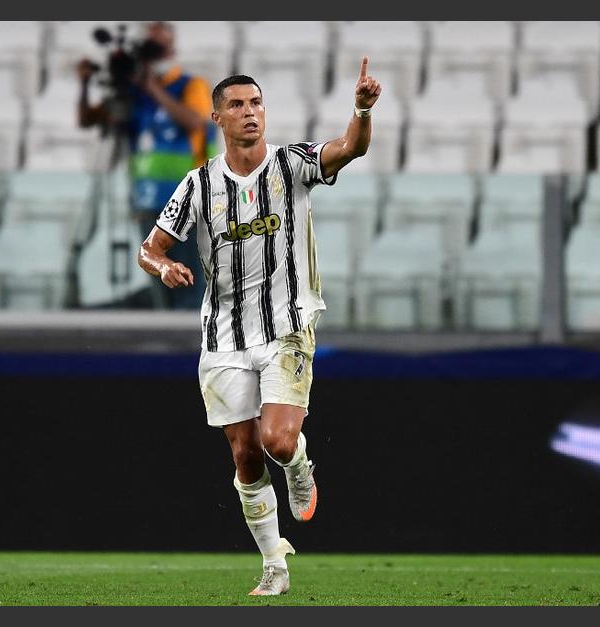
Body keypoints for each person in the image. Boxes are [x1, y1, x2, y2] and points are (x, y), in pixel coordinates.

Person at [137, 57, 382, 595]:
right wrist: (165, 266)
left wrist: (361, 109)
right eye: (238, 106)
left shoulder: (292, 164)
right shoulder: (199, 184)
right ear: (218, 118)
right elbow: (149, 249)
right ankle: (274, 561)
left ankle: (299, 466)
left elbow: (351, 147)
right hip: (223, 336)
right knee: (244, 453)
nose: (251, 114)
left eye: (257, 104)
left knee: (276, 440)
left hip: (287, 327)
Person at [78, 21, 215, 310]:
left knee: (189, 280)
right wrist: (85, 84)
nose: (153, 54)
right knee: (161, 282)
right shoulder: (134, 94)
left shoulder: (190, 85)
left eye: (159, 46)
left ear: (172, 49)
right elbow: (90, 120)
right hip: (147, 203)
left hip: (188, 204)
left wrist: (153, 89)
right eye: (149, 48)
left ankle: (193, 344)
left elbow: (195, 122)